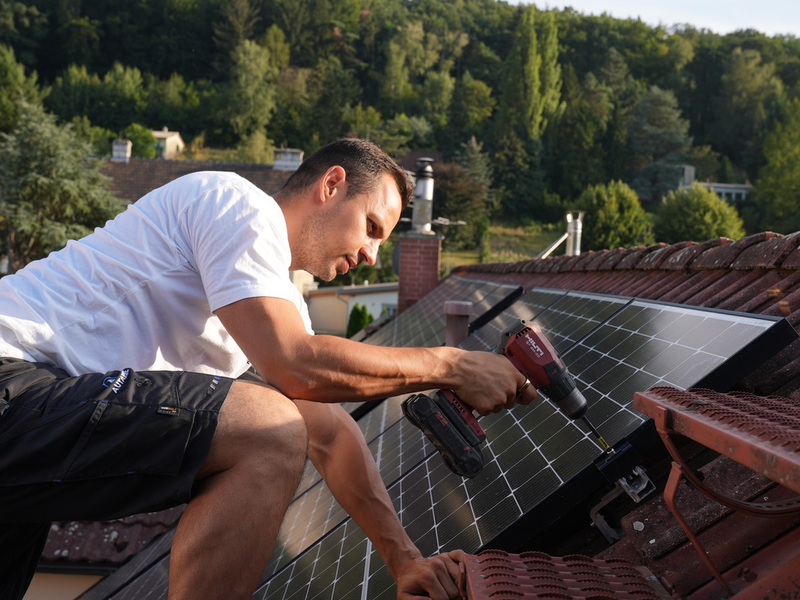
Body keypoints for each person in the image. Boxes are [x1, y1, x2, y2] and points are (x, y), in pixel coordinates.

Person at [0, 138, 536, 600]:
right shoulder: (235, 204)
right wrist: (450, 365)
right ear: (331, 184)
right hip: (14, 379)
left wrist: (404, 561)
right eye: (372, 227)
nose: (373, 254)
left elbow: (330, 434)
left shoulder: (267, 303)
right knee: (269, 429)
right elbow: (296, 365)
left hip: (35, 424)